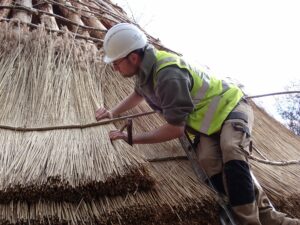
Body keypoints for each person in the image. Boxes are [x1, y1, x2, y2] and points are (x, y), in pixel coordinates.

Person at [95, 23, 300, 225]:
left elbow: (175, 129)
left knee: (231, 148)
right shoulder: (144, 71)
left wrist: (131, 138)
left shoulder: (168, 75)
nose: (114, 67)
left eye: (116, 62)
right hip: (208, 124)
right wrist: (112, 112)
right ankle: (269, 217)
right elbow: (138, 94)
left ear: (133, 57)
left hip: (230, 106)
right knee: (209, 160)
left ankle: (249, 221)